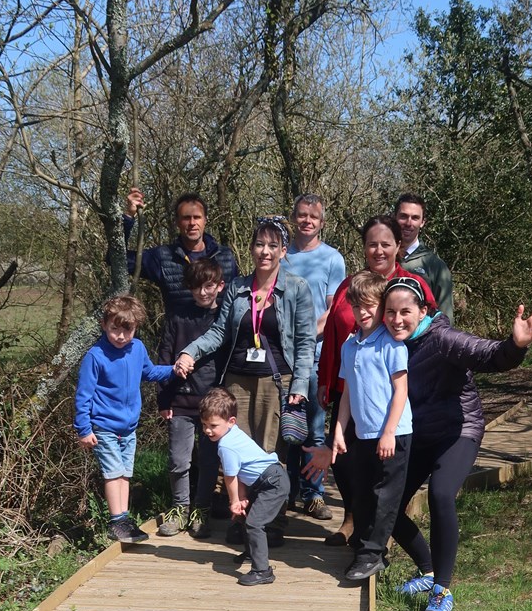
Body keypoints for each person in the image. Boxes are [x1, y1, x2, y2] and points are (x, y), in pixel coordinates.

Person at [383, 275, 532, 611]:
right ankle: (427, 571)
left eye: (405, 311)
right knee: (386, 505)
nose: (397, 319)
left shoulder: (443, 339)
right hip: (419, 436)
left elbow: (488, 355)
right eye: (390, 312)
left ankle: (441, 591)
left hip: (458, 433)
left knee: (441, 495)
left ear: (424, 310)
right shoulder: (386, 343)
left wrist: (515, 345)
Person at [317, 216, 434, 546]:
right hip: (349, 388)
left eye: (386, 243)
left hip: (392, 392)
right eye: (372, 244)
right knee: (345, 462)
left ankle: (384, 530)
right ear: (364, 248)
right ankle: (351, 519)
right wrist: (326, 378)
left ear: (398, 246)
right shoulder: (350, 286)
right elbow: (333, 334)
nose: (378, 250)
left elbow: (431, 328)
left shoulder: (410, 284)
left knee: (386, 468)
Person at [174, 216, 316, 456]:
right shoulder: (237, 287)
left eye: (273, 246)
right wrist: (190, 352)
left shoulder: (297, 288)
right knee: (236, 453)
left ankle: (273, 496)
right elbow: (220, 331)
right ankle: (238, 496)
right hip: (237, 381)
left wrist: (300, 385)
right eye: (259, 244)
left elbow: (305, 342)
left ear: (283, 251)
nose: (265, 252)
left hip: (276, 382)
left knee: (270, 455)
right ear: (251, 248)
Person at [74, 295, 175, 543]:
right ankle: (116, 521)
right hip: (104, 426)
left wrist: (174, 370)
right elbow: (83, 395)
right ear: (104, 325)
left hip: (129, 428)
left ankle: (124, 519)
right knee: (113, 473)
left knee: (125, 474)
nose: (120, 336)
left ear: (135, 327)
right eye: (114, 329)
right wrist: (83, 429)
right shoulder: (96, 356)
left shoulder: (137, 348)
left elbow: (150, 372)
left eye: (126, 330)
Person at [333, 271, 412, 583]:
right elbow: (348, 394)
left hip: (394, 433)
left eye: (370, 306)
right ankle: (369, 550)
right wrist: (340, 430)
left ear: (382, 307)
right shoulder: (350, 346)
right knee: (363, 494)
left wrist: (389, 431)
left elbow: (401, 391)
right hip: (363, 434)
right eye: (357, 307)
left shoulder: (392, 345)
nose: (363, 312)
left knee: (385, 496)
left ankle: (371, 555)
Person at [282, 194, 346, 520]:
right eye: (302, 215)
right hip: (282, 357)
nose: (308, 221)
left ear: (322, 222)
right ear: (294, 217)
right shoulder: (281, 255)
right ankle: (288, 491)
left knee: (314, 429)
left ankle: (315, 494)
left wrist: (306, 340)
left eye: (314, 217)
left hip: (317, 357)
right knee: (288, 429)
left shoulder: (332, 259)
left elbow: (333, 308)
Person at [155, 259, 226, 539]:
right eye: (196, 287)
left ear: (219, 286)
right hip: (180, 403)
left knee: (209, 462)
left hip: (213, 405)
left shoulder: (224, 318)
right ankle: (179, 507)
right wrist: (163, 400)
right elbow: (164, 357)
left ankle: (202, 509)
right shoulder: (178, 316)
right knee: (178, 460)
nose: (203, 293)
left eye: (208, 286)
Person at [199, 387, 290, 587]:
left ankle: (262, 570)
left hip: (272, 483)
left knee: (255, 523)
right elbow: (240, 474)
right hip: (264, 481)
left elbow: (230, 477)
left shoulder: (226, 445)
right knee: (245, 516)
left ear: (231, 421)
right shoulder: (232, 434)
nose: (207, 430)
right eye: (204, 424)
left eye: (213, 425)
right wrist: (240, 501)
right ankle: (251, 554)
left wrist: (233, 502)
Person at [137, 193, 239, 319]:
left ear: (205, 220)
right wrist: (128, 217)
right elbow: (118, 260)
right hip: (180, 335)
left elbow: (237, 299)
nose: (192, 223)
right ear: (177, 222)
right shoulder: (163, 257)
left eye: (197, 217)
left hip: (222, 336)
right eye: (186, 218)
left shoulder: (225, 256)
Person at [394, 192, 454, 322]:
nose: (408, 223)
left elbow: (445, 320)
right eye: (403, 216)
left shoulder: (436, 267)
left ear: (422, 222)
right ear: (395, 217)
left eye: (415, 218)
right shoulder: (382, 258)